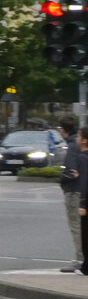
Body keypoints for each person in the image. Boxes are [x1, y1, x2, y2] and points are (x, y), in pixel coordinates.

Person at [59, 118, 84, 272]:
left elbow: (72, 172)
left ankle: (80, 260)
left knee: (76, 226)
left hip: (74, 191)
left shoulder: (72, 146)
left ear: (63, 130)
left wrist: (61, 179)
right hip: (82, 190)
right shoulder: (80, 144)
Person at [76, 127, 88, 276]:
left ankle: (86, 267)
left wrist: (83, 203)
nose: (77, 139)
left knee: (85, 235)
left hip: (87, 200)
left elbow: (85, 180)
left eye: (79, 137)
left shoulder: (83, 157)